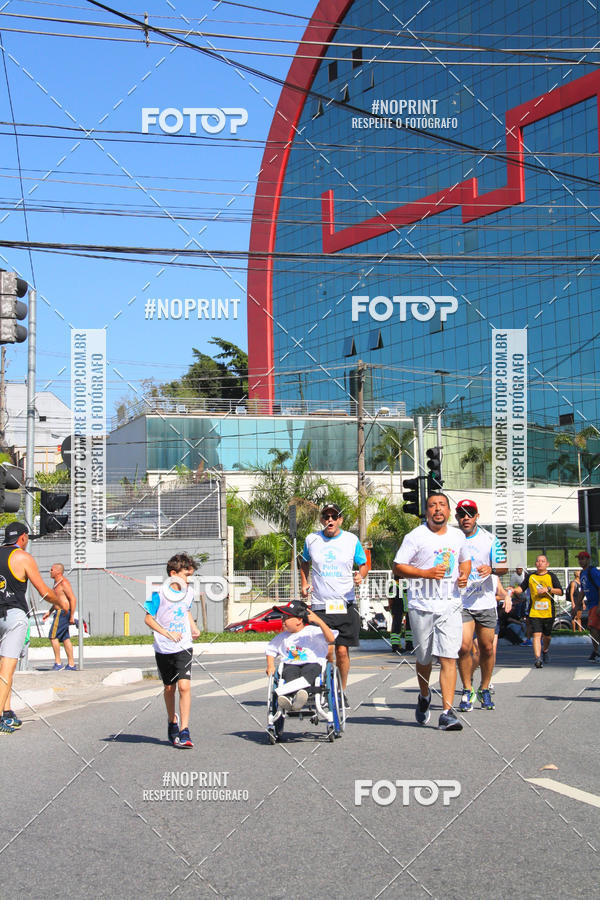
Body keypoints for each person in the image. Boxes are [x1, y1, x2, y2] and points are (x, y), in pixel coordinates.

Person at [393, 493, 471, 731]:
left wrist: (464, 574)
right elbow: (398, 567)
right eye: (432, 506)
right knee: (425, 658)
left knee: (449, 657)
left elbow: (464, 560)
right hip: (422, 606)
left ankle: (447, 712)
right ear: (426, 511)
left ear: (448, 511)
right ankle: (424, 695)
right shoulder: (415, 536)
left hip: (450, 605)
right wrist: (425, 573)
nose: (438, 509)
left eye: (442, 505)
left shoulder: (458, 535)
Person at [300, 503, 368, 703]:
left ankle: (341, 691)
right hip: (321, 605)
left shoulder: (351, 540)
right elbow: (304, 561)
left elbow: (363, 564)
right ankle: (324, 689)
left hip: (345, 603)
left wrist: (360, 576)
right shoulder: (312, 540)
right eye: (326, 516)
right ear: (322, 520)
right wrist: (305, 582)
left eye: (334, 516)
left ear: (340, 520)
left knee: (342, 651)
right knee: (326, 650)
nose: (330, 519)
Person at [0, 522, 61, 734]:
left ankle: (7, 712)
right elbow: (43, 591)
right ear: (23, 538)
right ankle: (0, 716)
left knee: (2, 668)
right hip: (14, 616)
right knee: (7, 668)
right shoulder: (22, 557)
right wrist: (59, 602)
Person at [454, 499, 508, 712]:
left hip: (485, 602)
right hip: (461, 602)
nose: (465, 518)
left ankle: (484, 687)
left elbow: (504, 566)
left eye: (470, 514)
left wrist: (492, 570)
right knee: (464, 647)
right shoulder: (452, 539)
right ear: (457, 518)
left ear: (477, 517)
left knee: (486, 648)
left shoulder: (489, 539)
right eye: (461, 514)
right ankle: (467, 689)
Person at [144, 553, 200, 748]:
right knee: (170, 688)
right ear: (173, 574)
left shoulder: (189, 593)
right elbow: (148, 619)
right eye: (186, 575)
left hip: (184, 646)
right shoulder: (158, 594)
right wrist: (167, 634)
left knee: (184, 686)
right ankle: (172, 721)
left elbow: (185, 610)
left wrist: (192, 627)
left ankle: (185, 731)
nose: (189, 579)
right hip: (163, 647)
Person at [265, 600, 337, 712]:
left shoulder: (313, 631)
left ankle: (297, 693)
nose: (282, 620)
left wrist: (319, 621)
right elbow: (271, 650)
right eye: (282, 617)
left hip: (312, 663)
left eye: (286, 617)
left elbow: (331, 639)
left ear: (299, 620)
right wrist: (270, 665)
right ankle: (290, 697)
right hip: (291, 664)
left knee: (310, 670)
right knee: (289, 672)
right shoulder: (282, 637)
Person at [513, 555, 562, 668]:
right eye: (538, 561)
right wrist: (513, 590)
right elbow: (521, 588)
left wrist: (548, 589)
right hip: (535, 611)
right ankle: (537, 658)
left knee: (547, 636)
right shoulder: (530, 576)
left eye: (542, 561)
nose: (540, 563)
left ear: (547, 564)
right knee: (536, 635)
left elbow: (560, 591)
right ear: (535, 564)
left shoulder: (551, 576)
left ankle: (545, 650)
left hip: (548, 611)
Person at [43, 563, 78, 670]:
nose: (50, 571)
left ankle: (58, 663)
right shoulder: (56, 583)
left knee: (53, 636)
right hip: (59, 611)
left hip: (62, 613)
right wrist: (49, 612)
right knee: (65, 638)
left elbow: (73, 598)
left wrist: (72, 616)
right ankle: (71, 664)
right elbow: (58, 600)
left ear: (58, 571)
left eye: (52, 569)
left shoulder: (63, 583)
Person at [577, 551, 600, 661]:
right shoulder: (582, 573)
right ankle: (596, 651)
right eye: (579, 559)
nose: (581, 561)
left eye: (583, 558)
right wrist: (576, 607)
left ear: (588, 559)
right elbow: (582, 591)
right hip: (591, 604)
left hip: (597, 603)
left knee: (593, 627)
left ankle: (597, 652)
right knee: (593, 628)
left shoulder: (593, 571)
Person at [567, 569, 585, 633]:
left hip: (579, 602)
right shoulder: (573, 583)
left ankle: (580, 630)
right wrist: (573, 603)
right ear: (576, 574)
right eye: (579, 573)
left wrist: (583, 603)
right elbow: (571, 594)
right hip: (575, 601)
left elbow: (581, 594)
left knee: (579, 617)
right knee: (574, 617)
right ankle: (574, 631)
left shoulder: (581, 582)